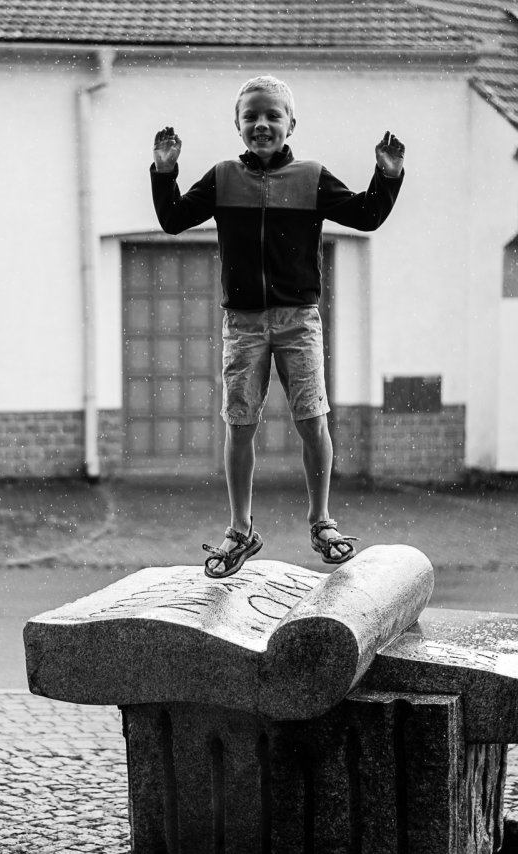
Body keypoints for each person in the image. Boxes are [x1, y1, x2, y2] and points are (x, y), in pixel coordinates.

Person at [150, 74, 405, 578]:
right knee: (240, 424)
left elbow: (366, 214)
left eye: (273, 116)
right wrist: (164, 170)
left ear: (291, 124)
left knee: (312, 420)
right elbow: (173, 219)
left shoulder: (311, 177)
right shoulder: (223, 177)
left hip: (298, 321)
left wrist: (388, 175)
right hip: (243, 324)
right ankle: (240, 529)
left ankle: (322, 521)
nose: (262, 124)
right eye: (251, 117)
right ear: (238, 125)